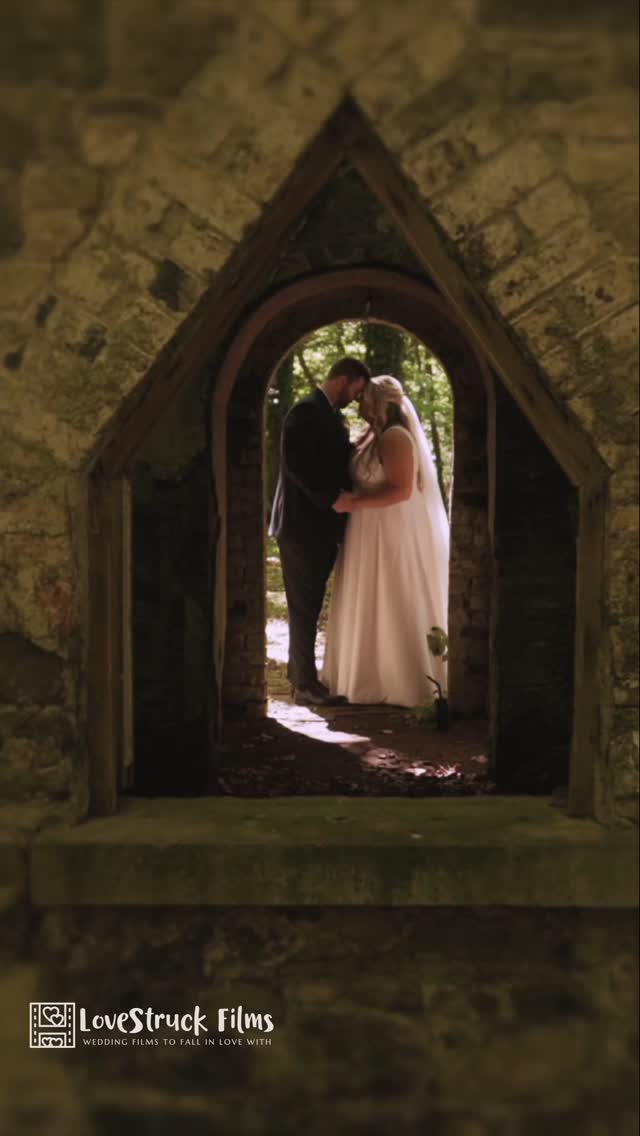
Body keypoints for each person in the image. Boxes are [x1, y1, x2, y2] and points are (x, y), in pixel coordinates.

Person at [321, 374, 449, 708]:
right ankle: (365, 676)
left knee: (391, 593)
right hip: (366, 528)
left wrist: (355, 503)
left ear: (377, 401)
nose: (358, 402)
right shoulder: (373, 435)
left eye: (363, 397)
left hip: (389, 529)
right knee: (369, 593)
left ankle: (400, 681)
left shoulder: (395, 437)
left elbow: (402, 490)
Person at [269, 356, 371, 705]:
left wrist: (364, 442)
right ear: (344, 380)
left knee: (310, 605)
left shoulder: (328, 415)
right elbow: (297, 465)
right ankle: (305, 686)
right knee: (304, 607)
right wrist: (332, 499)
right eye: (357, 391)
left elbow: (333, 459)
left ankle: (302, 678)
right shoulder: (305, 412)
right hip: (301, 526)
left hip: (320, 527)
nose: (356, 399)